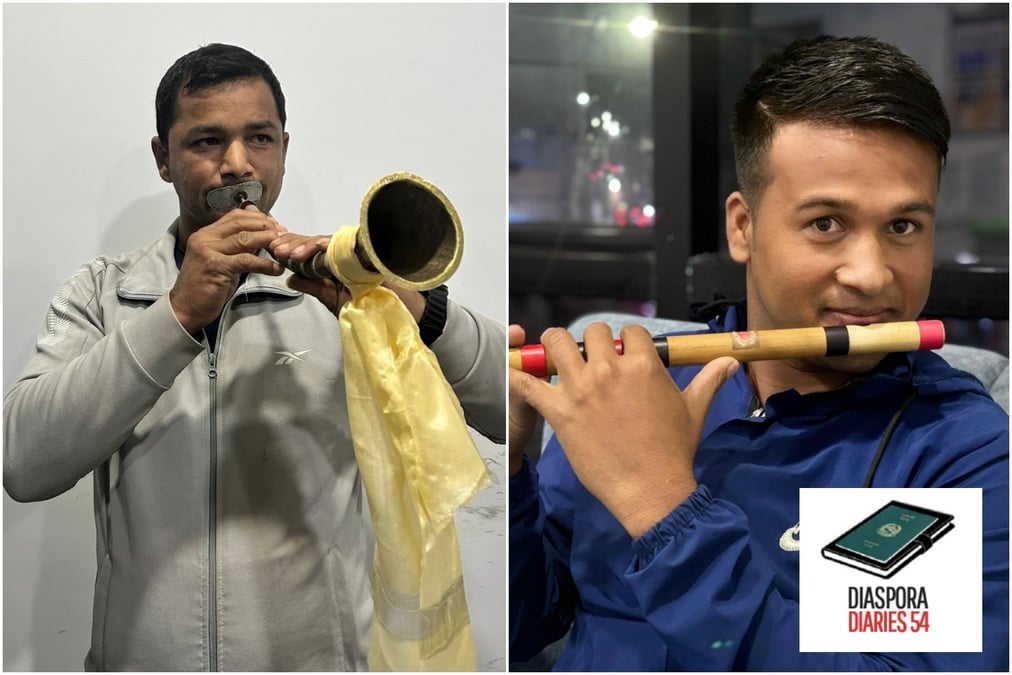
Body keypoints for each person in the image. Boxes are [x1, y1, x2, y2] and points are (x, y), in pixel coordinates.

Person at [509, 35, 1008, 671]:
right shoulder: (636, 384)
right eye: (826, 223)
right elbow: (527, 626)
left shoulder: (957, 451)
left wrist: (661, 503)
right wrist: (517, 470)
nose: (872, 275)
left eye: (902, 227)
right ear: (743, 227)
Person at [3, 43, 505, 671]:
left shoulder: (344, 298)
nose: (238, 166)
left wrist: (416, 311)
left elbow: (507, 410)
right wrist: (178, 313)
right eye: (206, 141)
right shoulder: (103, 292)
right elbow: (24, 465)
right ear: (164, 159)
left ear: (285, 148)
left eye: (259, 138)